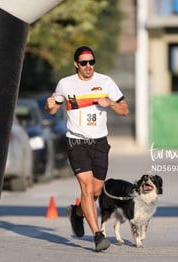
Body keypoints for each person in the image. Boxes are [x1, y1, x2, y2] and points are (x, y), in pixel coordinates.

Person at [45, 46, 129, 251]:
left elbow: (124, 110)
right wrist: (49, 106)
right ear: (76, 64)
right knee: (86, 186)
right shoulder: (65, 84)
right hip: (76, 141)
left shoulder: (106, 82)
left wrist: (109, 102)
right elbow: (53, 108)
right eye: (84, 63)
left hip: (100, 142)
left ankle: (77, 213)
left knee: (97, 191)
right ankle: (97, 235)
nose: (88, 66)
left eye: (91, 62)